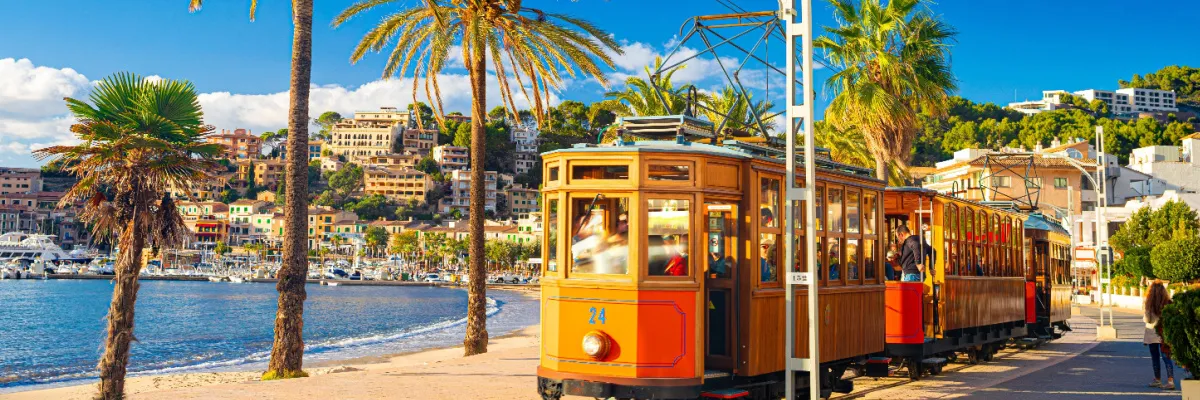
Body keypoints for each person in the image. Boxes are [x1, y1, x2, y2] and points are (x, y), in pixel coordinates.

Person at [1144, 282, 1175, 390]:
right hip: (1164, 333)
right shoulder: (1169, 302)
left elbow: (1147, 319)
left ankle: (1157, 379)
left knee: (1155, 357)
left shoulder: (1149, 304)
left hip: (1152, 333)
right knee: (1166, 357)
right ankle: (1170, 381)